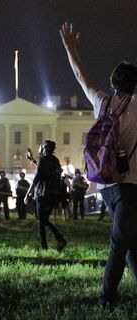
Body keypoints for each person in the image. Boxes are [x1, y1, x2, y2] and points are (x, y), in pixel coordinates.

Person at [60, 22, 137, 308]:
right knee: (121, 241)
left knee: (129, 240)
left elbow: (81, 75)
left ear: (113, 81)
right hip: (130, 185)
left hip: (105, 183)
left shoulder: (101, 102)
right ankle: (107, 299)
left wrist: (70, 48)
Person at [27, 140, 67, 251]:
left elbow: (38, 176)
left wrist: (28, 193)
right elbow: (46, 169)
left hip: (42, 193)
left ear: (45, 148)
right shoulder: (55, 161)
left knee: (41, 221)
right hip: (53, 194)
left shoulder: (43, 160)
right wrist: (32, 160)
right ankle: (59, 239)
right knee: (44, 219)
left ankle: (46, 246)